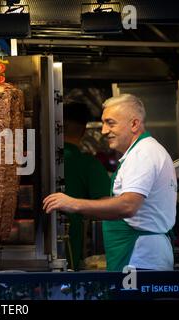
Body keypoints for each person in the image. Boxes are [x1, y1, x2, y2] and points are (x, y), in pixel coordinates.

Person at [44, 94, 176, 271]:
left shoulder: (142, 154)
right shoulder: (140, 152)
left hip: (140, 259)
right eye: (104, 123)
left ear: (134, 124)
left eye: (110, 123)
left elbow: (128, 205)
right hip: (137, 257)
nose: (104, 130)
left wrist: (73, 203)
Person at [62, 102, 110, 270]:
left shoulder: (37, 161)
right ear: (83, 131)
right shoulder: (89, 164)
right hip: (71, 251)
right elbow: (107, 207)